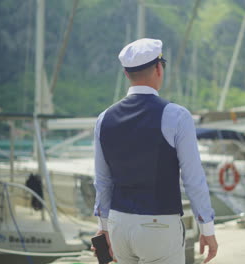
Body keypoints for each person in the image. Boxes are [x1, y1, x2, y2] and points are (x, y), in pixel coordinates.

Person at [93, 38, 217, 264]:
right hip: (158, 224)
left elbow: (102, 180)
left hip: (118, 224)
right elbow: (193, 178)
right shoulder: (177, 115)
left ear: (126, 73)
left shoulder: (104, 119)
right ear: (159, 68)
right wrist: (206, 228)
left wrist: (103, 228)